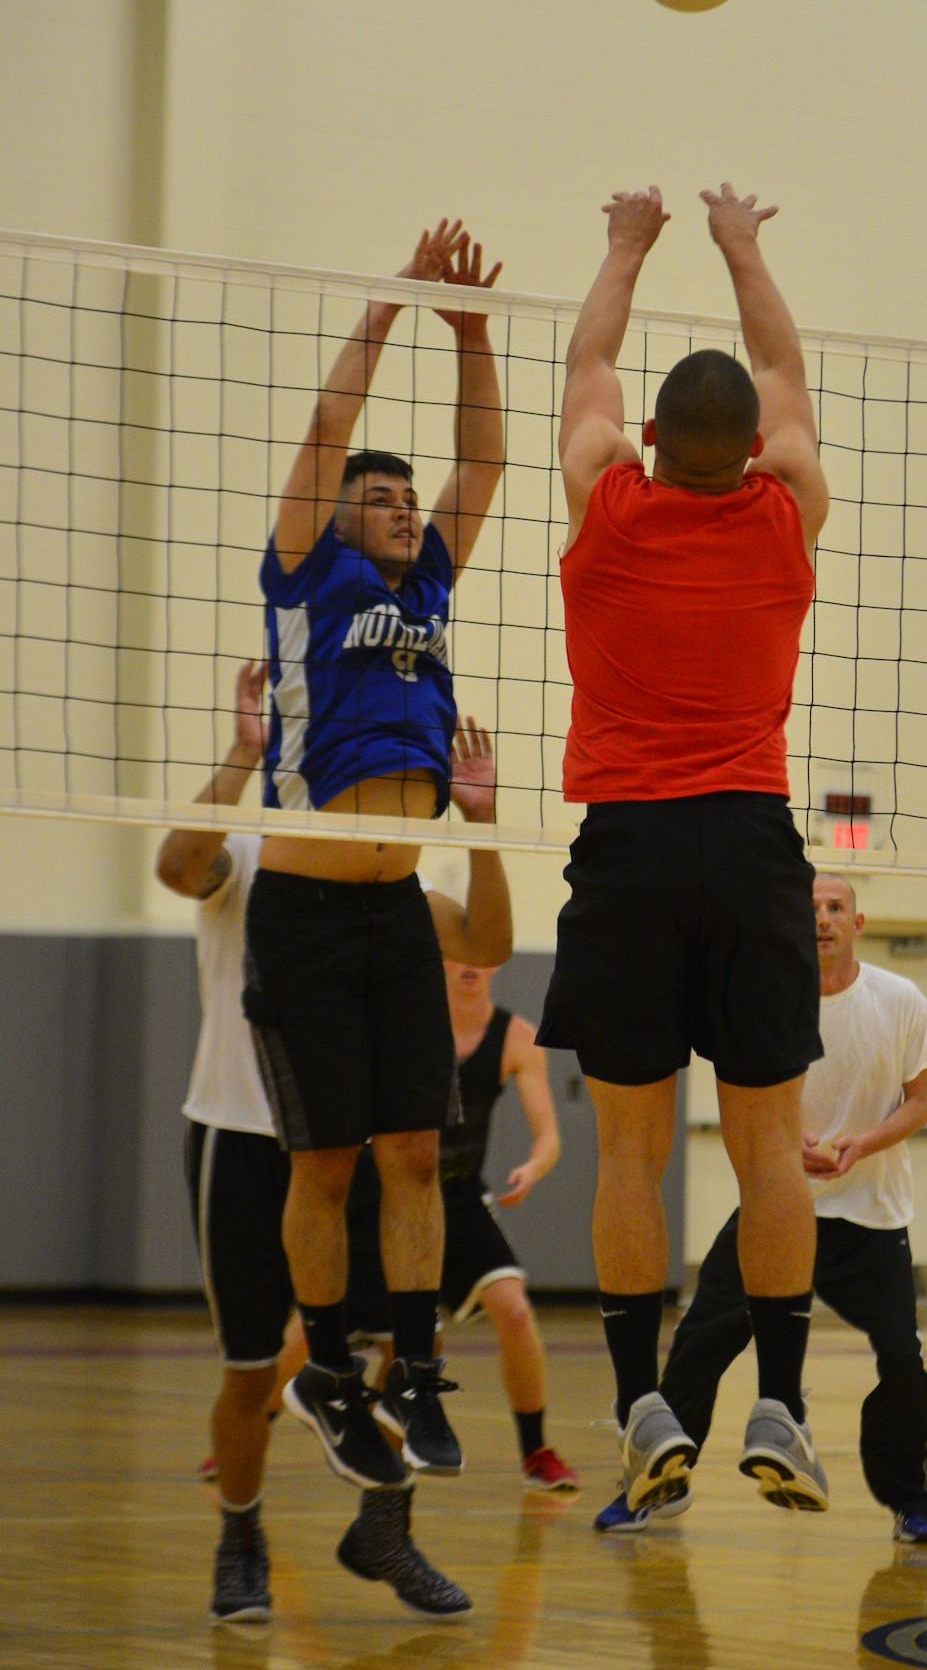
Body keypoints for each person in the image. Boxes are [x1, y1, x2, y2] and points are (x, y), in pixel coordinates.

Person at [538, 182, 831, 1516]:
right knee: (767, 1147)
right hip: (750, 842)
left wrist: (625, 245)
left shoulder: (607, 504)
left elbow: (587, 363)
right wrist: (740, 244)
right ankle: (781, 1405)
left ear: (649, 440)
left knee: (628, 1152)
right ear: (754, 449)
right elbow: (781, 372)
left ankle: (636, 1405)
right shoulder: (783, 513)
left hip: (629, 851)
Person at [157, 665, 512, 1621]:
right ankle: (240, 1537)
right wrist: (242, 754)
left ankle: (384, 1530)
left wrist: (482, 826)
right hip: (243, 1137)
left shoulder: (384, 871)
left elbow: (484, 942)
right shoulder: (247, 848)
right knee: (248, 1373)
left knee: (399, 1351)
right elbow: (177, 869)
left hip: (359, 1151)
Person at [243, 214, 503, 1505]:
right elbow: (325, 427)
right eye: (381, 498)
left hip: (397, 905)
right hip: (300, 905)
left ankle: (413, 1368)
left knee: (414, 1154)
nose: (404, 509)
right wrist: (391, 305)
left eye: (408, 499)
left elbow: (484, 457)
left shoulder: (431, 582)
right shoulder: (308, 574)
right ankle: (331, 1374)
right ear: (340, 519)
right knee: (326, 1162)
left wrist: (473, 336)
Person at [596, 873, 927, 1543]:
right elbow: (744, 1099)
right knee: (699, 1343)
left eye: (835, 908)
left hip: (870, 1215)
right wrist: (788, 1146)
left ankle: (913, 1501)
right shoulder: (764, 995)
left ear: (857, 923)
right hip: (776, 1208)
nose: (822, 918)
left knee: (903, 1359)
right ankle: (657, 1485)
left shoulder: (899, 998)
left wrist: (863, 1143)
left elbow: (921, 1100)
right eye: (810, 907)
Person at [345, 956, 580, 1492]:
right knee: (317, 1340)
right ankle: (248, 1427)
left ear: (496, 962)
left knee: (514, 1310)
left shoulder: (517, 1037)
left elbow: (549, 1136)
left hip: (459, 1196)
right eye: (457, 952)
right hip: (393, 1200)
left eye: (481, 954)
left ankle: (536, 1451)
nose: (470, 965)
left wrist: (533, 1167)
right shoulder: (403, 1024)